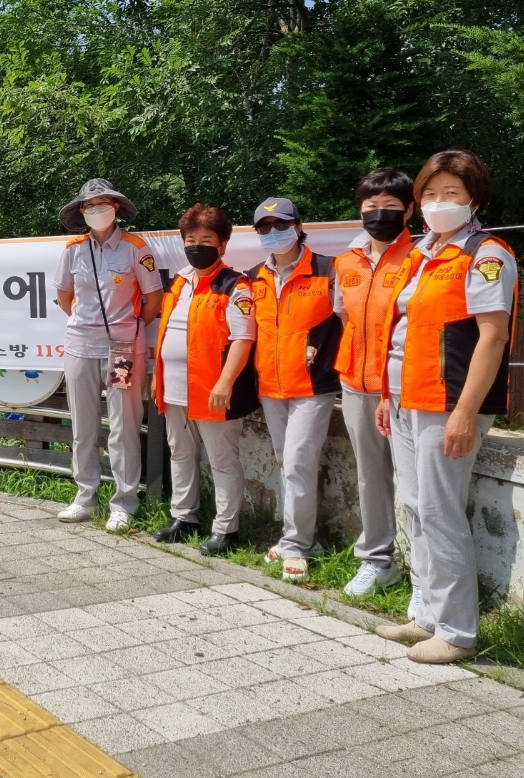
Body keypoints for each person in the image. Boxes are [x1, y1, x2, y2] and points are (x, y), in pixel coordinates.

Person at [374, 150, 515, 665]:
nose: (438, 203)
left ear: (474, 199)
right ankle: (426, 614)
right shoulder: (422, 252)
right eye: (429, 194)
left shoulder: (485, 254)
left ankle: (457, 632)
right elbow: (403, 330)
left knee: (440, 510)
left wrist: (464, 412)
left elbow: (492, 337)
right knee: (415, 507)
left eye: (451, 193)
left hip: (447, 400)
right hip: (405, 397)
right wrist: (386, 395)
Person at [52, 178, 164, 531]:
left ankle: (124, 503)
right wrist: (86, 324)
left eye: (102, 203)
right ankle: (84, 497)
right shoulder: (73, 249)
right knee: (83, 426)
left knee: (124, 426)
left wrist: (129, 328)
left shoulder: (136, 248)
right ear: (81, 211)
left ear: (116, 207)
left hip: (123, 350)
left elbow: (154, 299)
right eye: (89, 205)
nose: (96, 209)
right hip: (80, 347)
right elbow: (64, 296)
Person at [152, 205, 260, 555]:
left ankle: (227, 530)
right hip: (174, 387)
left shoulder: (235, 285)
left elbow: (243, 339)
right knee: (180, 454)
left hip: (213, 390)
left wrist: (225, 383)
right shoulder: (179, 282)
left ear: (222, 245)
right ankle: (184, 517)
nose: (197, 246)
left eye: (206, 240)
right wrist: (157, 377)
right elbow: (166, 332)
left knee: (222, 460)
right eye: (190, 240)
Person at [246, 197, 342, 582]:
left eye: (281, 225)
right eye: (264, 227)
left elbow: (348, 323)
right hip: (270, 385)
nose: (274, 232)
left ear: (299, 227)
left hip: (312, 385)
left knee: (299, 461)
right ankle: (300, 538)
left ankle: (297, 545)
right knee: (287, 461)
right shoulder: (254, 276)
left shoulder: (328, 270)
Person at [331, 169, 415, 596]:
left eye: (390, 207)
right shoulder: (346, 262)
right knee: (370, 474)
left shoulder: (420, 258)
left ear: (410, 210)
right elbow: (344, 316)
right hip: (356, 383)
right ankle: (378, 560)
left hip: (403, 386)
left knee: (415, 481)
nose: (379, 214)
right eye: (371, 207)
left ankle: (423, 570)